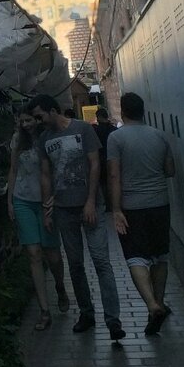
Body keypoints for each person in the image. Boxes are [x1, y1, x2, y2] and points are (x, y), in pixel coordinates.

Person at [31, 94, 125, 340]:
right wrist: (47, 208)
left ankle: (113, 319)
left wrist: (91, 201)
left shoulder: (83, 129)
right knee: (75, 265)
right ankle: (87, 313)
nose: (38, 121)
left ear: (53, 110)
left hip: (88, 206)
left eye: (40, 116)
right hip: (63, 210)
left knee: (101, 261)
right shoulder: (44, 139)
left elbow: (95, 164)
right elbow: (45, 174)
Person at [106, 92, 175, 335]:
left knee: (136, 257)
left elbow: (114, 175)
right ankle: (160, 301)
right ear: (143, 111)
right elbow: (170, 170)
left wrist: (115, 209)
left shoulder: (116, 139)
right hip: (160, 203)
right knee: (160, 256)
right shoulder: (160, 136)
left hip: (132, 207)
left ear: (123, 111)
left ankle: (151, 304)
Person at [8, 109, 70, 330]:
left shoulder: (49, 139)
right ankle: (45, 311)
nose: (26, 124)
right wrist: (10, 200)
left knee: (52, 254)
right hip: (23, 198)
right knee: (33, 253)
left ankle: (60, 287)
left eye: (29, 120)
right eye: (22, 120)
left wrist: (55, 197)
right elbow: (13, 171)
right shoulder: (18, 140)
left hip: (46, 201)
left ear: (37, 119)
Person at [95, 108, 118, 211]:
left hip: (101, 159)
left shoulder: (95, 130)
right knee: (114, 180)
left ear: (99, 117)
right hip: (113, 158)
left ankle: (107, 204)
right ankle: (114, 202)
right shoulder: (114, 129)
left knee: (103, 183)